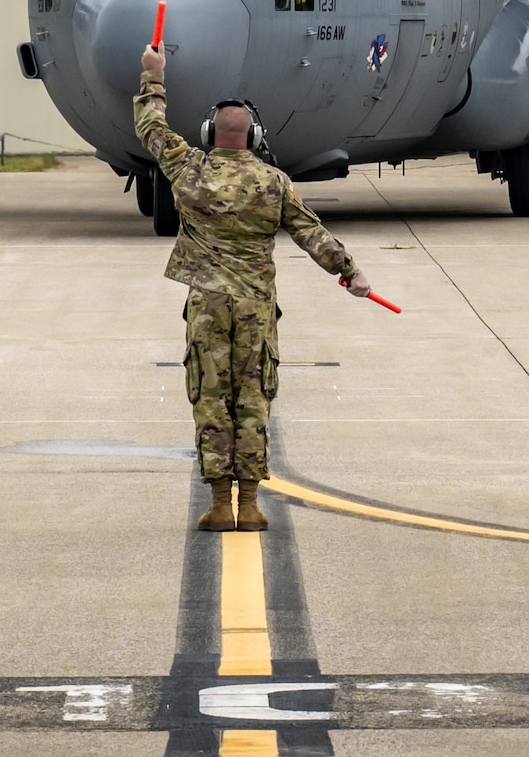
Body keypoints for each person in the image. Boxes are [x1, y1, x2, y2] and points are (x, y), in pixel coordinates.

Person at [136, 40, 371, 532]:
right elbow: (311, 233)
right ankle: (250, 505)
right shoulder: (274, 181)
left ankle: (220, 505)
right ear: (254, 137)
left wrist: (153, 75)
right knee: (253, 399)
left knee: (210, 397)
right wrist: (349, 271)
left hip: (206, 303)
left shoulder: (188, 169)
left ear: (209, 133)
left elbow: (151, 128)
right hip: (255, 308)